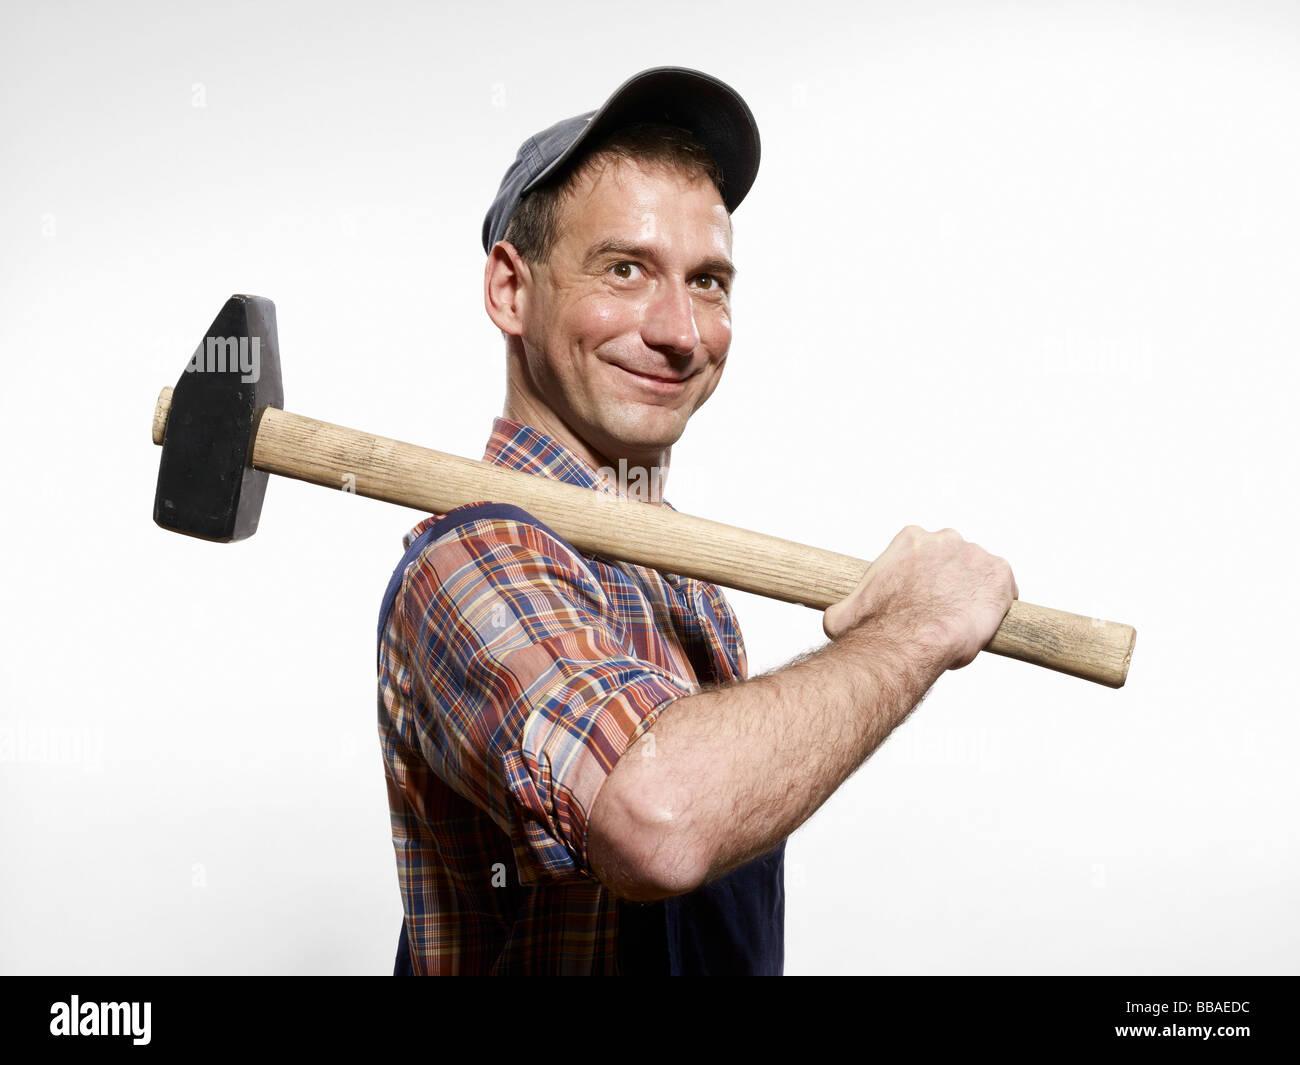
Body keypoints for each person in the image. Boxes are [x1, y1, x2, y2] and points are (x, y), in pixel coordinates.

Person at [376, 66, 1017, 975]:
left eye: (709, 281)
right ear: (512, 292)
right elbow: (660, 823)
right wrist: (914, 630)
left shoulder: (685, 585)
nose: (680, 329)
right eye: (626, 269)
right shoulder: (473, 556)